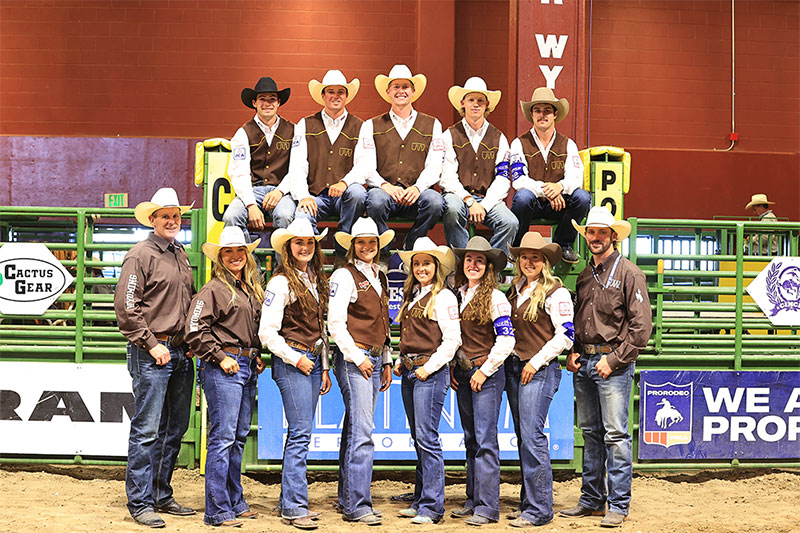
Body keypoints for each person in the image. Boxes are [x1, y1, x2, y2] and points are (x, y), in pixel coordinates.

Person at [560, 206, 652, 528]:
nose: (595, 237)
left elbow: (641, 329)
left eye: (601, 232)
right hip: (586, 360)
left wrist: (612, 360)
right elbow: (578, 320)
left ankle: (618, 504)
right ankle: (592, 499)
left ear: (613, 236)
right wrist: (573, 351)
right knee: (592, 433)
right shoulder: (586, 275)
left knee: (614, 434)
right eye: (591, 232)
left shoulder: (630, 273)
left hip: (611, 362)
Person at [114, 187, 196, 528]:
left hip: (178, 350)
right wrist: (151, 344)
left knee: (173, 429)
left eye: (176, 216)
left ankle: (161, 493)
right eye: (166, 216)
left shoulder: (181, 253)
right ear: (153, 219)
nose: (172, 221)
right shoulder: (140, 255)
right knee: (147, 430)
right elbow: (126, 307)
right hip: (153, 351)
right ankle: (141, 501)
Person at [185, 226, 264, 527]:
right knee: (223, 438)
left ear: (246, 254)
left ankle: (234, 500)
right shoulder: (213, 289)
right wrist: (221, 356)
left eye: (239, 251)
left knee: (237, 438)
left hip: (244, 364)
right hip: (224, 367)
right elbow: (194, 329)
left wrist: (253, 356)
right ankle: (217, 509)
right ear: (219, 257)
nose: (235, 256)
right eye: (228, 251)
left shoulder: (248, 288)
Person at [258, 218, 331, 530]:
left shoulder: (313, 278)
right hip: (295, 362)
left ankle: (291, 499)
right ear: (289, 248)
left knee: (302, 432)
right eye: (299, 243)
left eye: (310, 243)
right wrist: (296, 359)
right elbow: (267, 333)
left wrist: (323, 366)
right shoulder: (280, 282)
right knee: (301, 433)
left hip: (311, 362)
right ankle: (293, 506)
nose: (305, 247)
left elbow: (322, 329)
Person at [504, 232, 574, 528]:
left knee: (531, 437)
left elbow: (566, 335)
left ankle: (539, 508)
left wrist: (535, 361)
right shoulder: (514, 289)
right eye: (524, 256)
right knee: (525, 437)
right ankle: (528, 503)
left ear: (544, 261)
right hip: (515, 367)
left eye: (535, 257)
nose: (529, 261)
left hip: (538, 369)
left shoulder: (556, 292)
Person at [328, 217, 395, 524]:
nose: (367, 247)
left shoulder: (377, 274)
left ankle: (349, 497)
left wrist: (387, 358)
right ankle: (357, 503)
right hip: (357, 357)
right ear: (352, 246)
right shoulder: (344, 275)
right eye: (362, 242)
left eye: (372, 242)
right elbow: (335, 323)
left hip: (374, 355)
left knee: (356, 428)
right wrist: (357, 356)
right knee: (362, 431)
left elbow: (382, 321)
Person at [393, 237, 461, 525]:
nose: (421, 268)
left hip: (428, 372)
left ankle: (432, 506)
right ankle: (422, 498)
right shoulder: (414, 296)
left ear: (436, 266)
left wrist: (429, 367)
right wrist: (400, 360)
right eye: (417, 263)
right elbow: (409, 337)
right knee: (420, 437)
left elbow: (452, 340)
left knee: (427, 438)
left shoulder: (443, 297)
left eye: (426, 263)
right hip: (411, 369)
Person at [449, 236, 515, 526]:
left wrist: (484, 370)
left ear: (488, 267)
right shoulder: (458, 294)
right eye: (468, 260)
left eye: (479, 260)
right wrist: (456, 366)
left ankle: (487, 506)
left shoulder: (496, 298)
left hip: (484, 374)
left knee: (485, 439)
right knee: (471, 438)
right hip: (465, 371)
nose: (472, 265)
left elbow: (507, 340)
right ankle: (473, 499)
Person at [357, 64, 445, 252]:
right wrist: (385, 186)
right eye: (396, 87)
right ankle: (384, 251)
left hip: (417, 191)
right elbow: (365, 165)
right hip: (383, 190)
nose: (401, 91)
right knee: (375, 201)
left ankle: (412, 242)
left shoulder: (432, 124)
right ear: (388, 91)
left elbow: (435, 165)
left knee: (435, 201)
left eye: (405, 87)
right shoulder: (370, 125)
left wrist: (417, 187)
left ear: (413, 91)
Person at [288, 70, 366, 260]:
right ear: (323, 96)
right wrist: (304, 196)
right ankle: (312, 265)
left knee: (358, 193)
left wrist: (345, 183)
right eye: (330, 91)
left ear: (347, 96)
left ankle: (344, 255)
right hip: (316, 196)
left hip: (343, 198)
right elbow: (297, 165)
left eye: (340, 91)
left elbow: (364, 164)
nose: (335, 96)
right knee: (301, 219)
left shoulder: (361, 126)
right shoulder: (305, 124)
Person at [509, 87, 591, 263]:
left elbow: (576, 176)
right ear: (531, 115)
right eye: (537, 110)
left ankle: (562, 245)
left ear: (555, 114)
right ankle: (518, 244)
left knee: (583, 198)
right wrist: (547, 190)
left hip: (559, 204)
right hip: (534, 203)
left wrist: (560, 187)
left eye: (547, 111)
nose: (542, 115)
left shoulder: (568, 144)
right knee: (522, 197)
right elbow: (519, 179)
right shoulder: (518, 143)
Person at [440, 77, 518, 256]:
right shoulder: (449, 135)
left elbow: (503, 178)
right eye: (471, 100)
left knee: (510, 222)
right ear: (463, 103)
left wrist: (484, 205)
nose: (475, 104)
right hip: (458, 197)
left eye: (480, 101)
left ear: (486, 105)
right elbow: (447, 177)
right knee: (452, 209)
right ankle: (461, 264)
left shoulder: (499, 137)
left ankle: (491, 269)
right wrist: (469, 200)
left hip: (486, 198)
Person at [223, 76, 296, 242]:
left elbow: (298, 167)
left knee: (285, 215)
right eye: (263, 99)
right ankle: (250, 266)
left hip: (282, 191)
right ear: (254, 103)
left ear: (278, 103)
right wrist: (250, 205)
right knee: (231, 217)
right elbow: (239, 173)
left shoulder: (294, 130)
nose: (268, 103)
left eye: (272, 99)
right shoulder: (243, 133)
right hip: (253, 190)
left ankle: (283, 267)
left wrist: (280, 191)